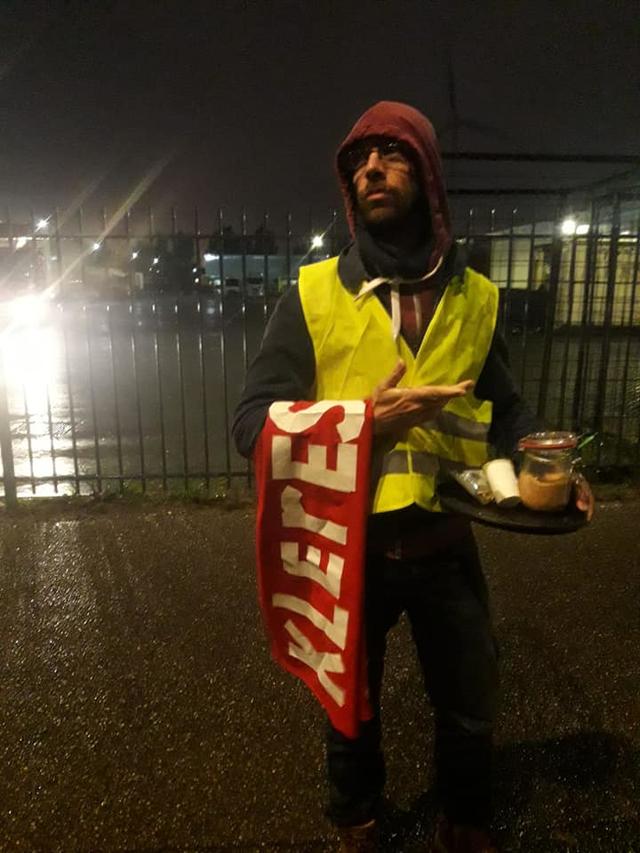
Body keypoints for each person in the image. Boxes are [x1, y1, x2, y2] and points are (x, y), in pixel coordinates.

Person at [232, 101, 593, 853]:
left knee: (470, 702)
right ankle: (356, 819)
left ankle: (465, 819)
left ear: (427, 175)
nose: (370, 168)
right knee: (349, 702)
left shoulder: (475, 298)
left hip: (447, 541)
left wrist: (549, 464)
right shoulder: (313, 295)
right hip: (349, 549)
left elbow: (506, 409)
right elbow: (249, 425)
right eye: (358, 160)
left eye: (391, 153)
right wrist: (364, 422)